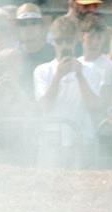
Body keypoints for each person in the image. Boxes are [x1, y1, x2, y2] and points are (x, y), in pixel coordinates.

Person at [33, 15, 102, 151]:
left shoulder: (90, 69)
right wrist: (58, 75)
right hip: (52, 140)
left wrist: (80, 75)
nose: (64, 45)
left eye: (68, 40)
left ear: (76, 41)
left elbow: (93, 106)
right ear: (52, 42)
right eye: (59, 41)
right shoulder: (42, 70)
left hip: (82, 139)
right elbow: (45, 106)